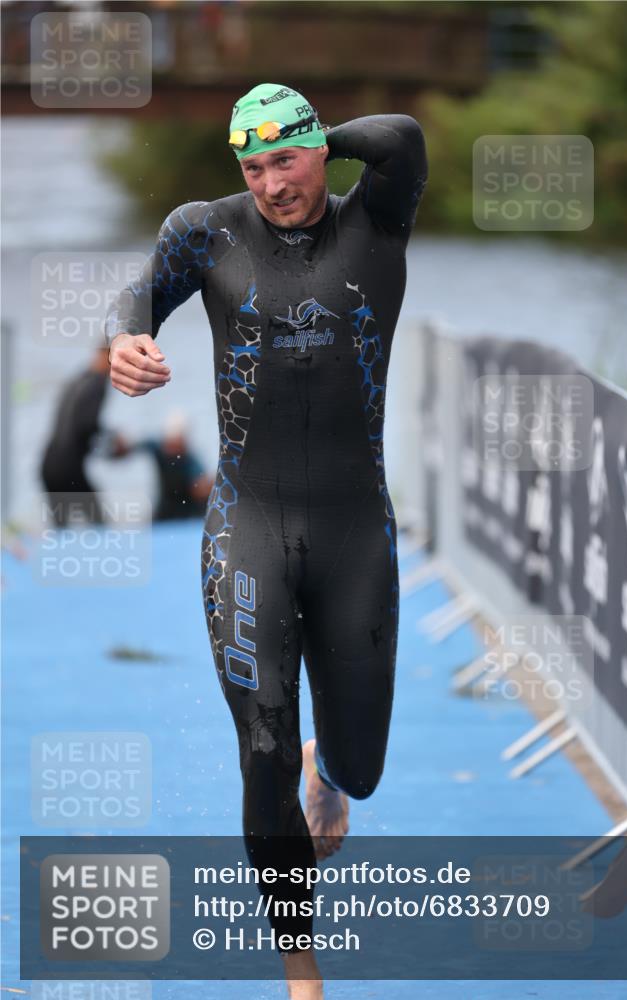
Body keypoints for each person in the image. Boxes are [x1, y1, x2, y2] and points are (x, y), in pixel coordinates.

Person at [105, 83, 427, 998]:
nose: (272, 183)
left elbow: (400, 135)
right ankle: (298, 961)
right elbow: (137, 298)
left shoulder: (380, 221)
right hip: (245, 530)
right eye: (253, 167)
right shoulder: (205, 231)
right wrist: (127, 340)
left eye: (286, 159)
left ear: (321, 151)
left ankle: (332, 770)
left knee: (355, 770)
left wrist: (308, 132)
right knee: (262, 750)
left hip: (355, 532)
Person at [40, 345, 113, 526]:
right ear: (106, 356)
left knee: (61, 529)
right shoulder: (97, 384)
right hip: (68, 468)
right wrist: (111, 443)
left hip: (48, 464)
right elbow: (87, 426)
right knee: (99, 523)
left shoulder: (78, 379)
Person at [115, 410, 213, 521]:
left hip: (188, 516)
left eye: (176, 443)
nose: (171, 448)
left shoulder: (191, 461)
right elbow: (128, 449)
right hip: (164, 512)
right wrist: (121, 446)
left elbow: (201, 488)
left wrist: (207, 487)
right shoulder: (157, 447)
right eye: (170, 442)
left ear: (184, 442)